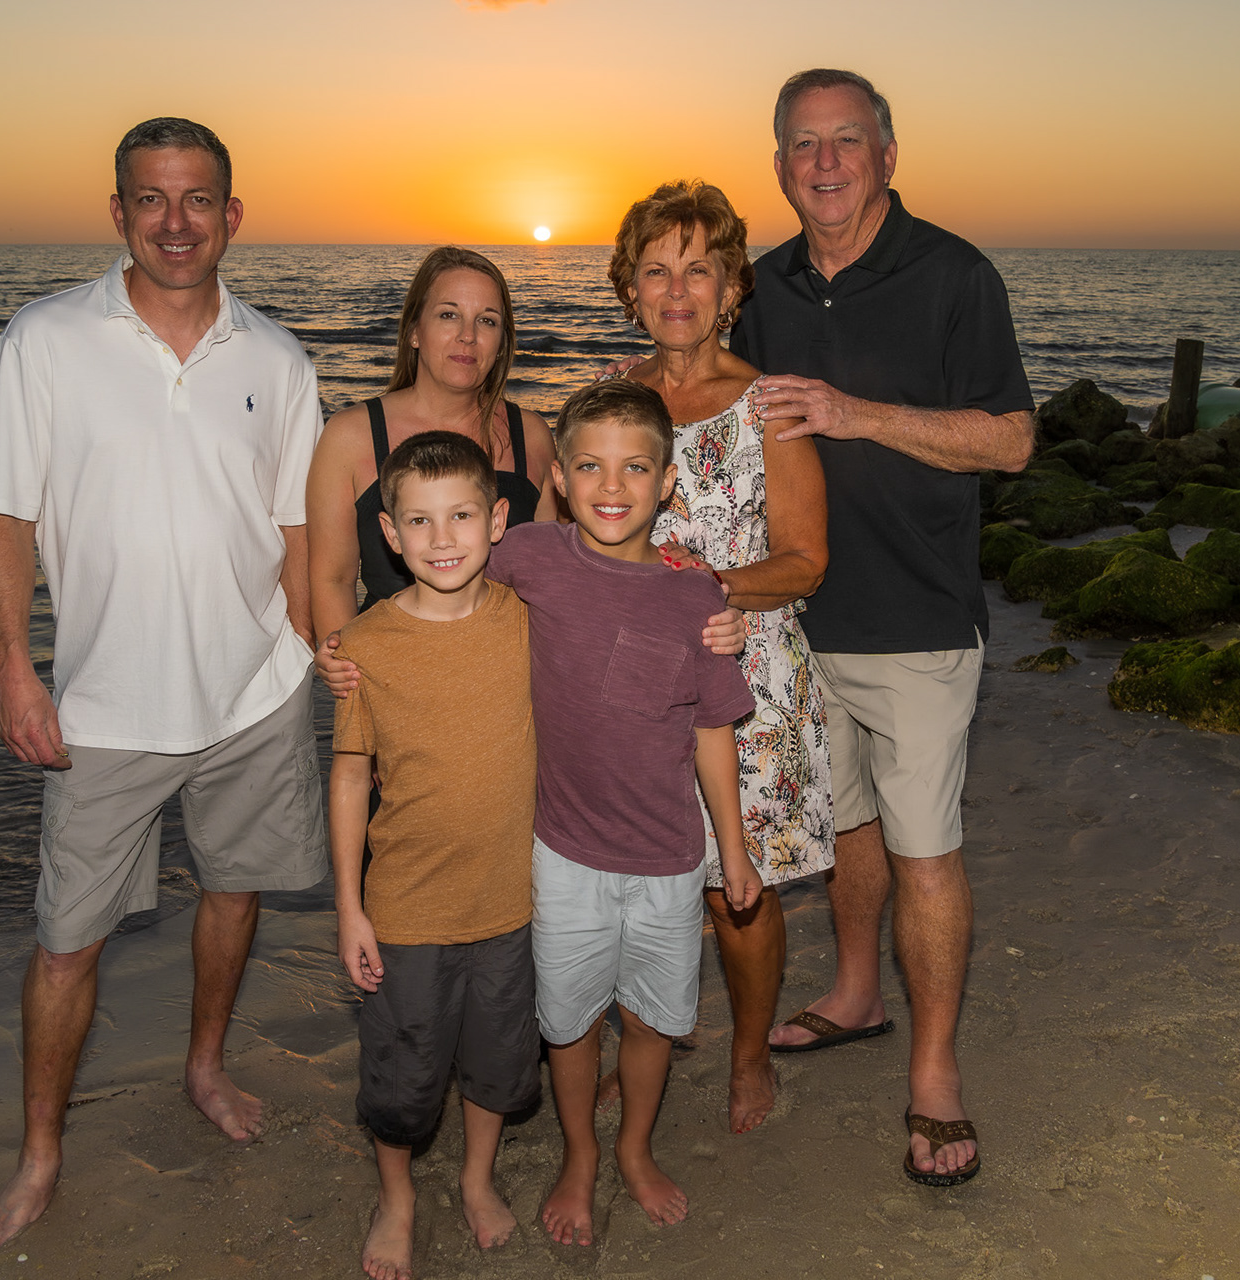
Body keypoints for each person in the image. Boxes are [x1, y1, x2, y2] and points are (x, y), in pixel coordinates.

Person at [0, 117, 328, 1255]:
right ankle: (40, 1153)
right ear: (118, 212)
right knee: (68, 938)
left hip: (255, 689)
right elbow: (5, 515)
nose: (177, 221)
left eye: (199, 199)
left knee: (236, 889)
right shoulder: (45, 340)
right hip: (106, 707)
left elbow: (300, 536)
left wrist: (333, 667)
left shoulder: (279, 357)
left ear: (232, 213)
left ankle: (206, 1066)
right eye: (153, 199)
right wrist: (16, 667)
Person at [739, 70, 1036, 1187]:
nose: (824, 162)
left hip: (916, 621)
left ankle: (936, 1071)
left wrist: (852, 413)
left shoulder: (955, 274)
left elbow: (1011, 441)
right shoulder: (759, 286)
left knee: (923, 850)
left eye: (846, 141)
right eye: (803, 144)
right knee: (848, 827)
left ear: (888, 153)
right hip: (796, 620)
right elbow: (714, 393)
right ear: (779, 166)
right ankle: (856, 991)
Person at [487, 379, 761, 1244]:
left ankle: (636, 1147)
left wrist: (737, 851)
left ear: (668, 482)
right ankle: (580, 1155)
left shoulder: (696, 601)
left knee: (652, 1019)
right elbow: (442, 580)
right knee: (568, 1024)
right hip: (562, 851)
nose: (614, 485)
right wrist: (358, 651)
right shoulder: (529, 554)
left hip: (670, 861)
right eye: (592, 466)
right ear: (560, 478)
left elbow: (713, 732)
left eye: (636, 467)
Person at [604, 179, 833, 1136]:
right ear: (630, 291)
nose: (679, 289)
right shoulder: (609, 404)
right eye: (657, 270)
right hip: (633, 690)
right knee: (636, 884)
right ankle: (641, 1044)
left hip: (750, 684)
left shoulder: (767, 408)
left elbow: (807, 560)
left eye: (699, 269)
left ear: (732, 286)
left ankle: (748, 1052)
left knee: (741, 894)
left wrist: (708, 584)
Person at [328, 432, 539, 1280]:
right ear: (389, 532)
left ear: (497, 522)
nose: (442, 538)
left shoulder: (527, 618)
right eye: (420, 521)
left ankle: (477, 1179)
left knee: (497, 1058)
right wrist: (350, 907)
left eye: (460, 516)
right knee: (403, 1073)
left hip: (514, 899)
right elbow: (349, 781)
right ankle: (399, 1196)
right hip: (408, 906)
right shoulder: (365, 649)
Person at [307, 246, 558, 652]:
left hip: (510, 678)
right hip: (396, 677)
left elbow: (552, 576)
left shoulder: (530, 436)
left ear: (501, 341)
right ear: (413, 330)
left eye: (487, 321)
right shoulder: (350, 436)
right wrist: (352, 670)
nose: (468, 335)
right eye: (448, 314)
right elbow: (331, 579)